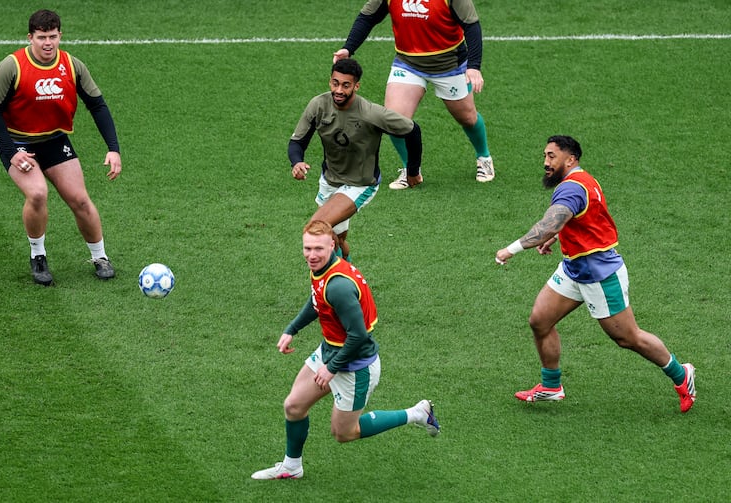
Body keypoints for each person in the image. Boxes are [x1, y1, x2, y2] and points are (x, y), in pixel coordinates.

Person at [495, 135, 696, 413]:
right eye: (545, 155)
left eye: (552, 156)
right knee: (540, 321)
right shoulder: (582, 181)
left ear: (571, 159)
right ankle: (551, 387)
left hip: (600, 275)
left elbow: (548, 224)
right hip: (574, 267)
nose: (546, 162)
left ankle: (681, 374)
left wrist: (512, 249)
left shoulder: (572, 189)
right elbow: (584, 219)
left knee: (628, 337)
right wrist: (558, 237)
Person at [251, 220, 439, 480]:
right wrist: (292, 328)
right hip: (330, 350)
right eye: (307, 248)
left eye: (318, 248)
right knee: (294, 406)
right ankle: (292, 466)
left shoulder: (339, 286)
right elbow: (318, 298)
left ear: (332, 245)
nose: (311, 255)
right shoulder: (323, 269)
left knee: (344, 433)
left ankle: (417, 414)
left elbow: (360, 336)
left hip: (355, 367)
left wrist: (331, 368)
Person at [0, 9, 122, 286]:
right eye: (42, 37)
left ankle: (100, 256)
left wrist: (113, 148)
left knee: (80, 200)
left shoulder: (72, 66)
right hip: (18, 141)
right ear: (30, 37)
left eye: (53, 36)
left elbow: (97, 104)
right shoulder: (11, 66)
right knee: (37, 193)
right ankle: (38, 256)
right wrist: (12, 153)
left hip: (55, 140)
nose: (48, 43)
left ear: (60, 35)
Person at [334, 0, 494, 189]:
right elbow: (368, 17)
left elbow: (471, 26)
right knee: (392, 119)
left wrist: (474, 67)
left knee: (467, 117)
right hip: (408, 63)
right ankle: (410, 170)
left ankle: (484, 157)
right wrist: (349, 47)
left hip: (450, 64)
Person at [289, 58, 422, 260]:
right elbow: (297, 142)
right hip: (330, 181)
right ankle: (352, 281)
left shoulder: (371, 113)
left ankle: (323, 289)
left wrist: (412, 171)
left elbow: (413, 130)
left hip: (360, 183)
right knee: (336, 241)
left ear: (356, 86)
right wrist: (296, 162)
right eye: (335, 83)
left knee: (316, 231)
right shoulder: (318, 105)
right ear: (330, 81)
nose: (339, 90)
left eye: (346, 85)